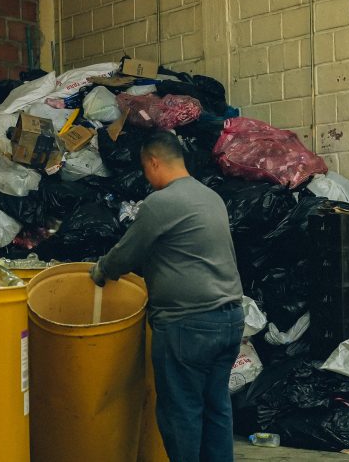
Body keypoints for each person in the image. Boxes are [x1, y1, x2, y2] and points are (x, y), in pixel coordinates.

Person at [89, 131, 244, 462]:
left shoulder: (161, 203)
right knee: (216, 408)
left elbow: (125, 254)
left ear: (153, 162)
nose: (147, 176)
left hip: (188, 325)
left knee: (182, 413)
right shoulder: (211, 197)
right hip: (230, 320)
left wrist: (100, 270)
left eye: (146, 169)